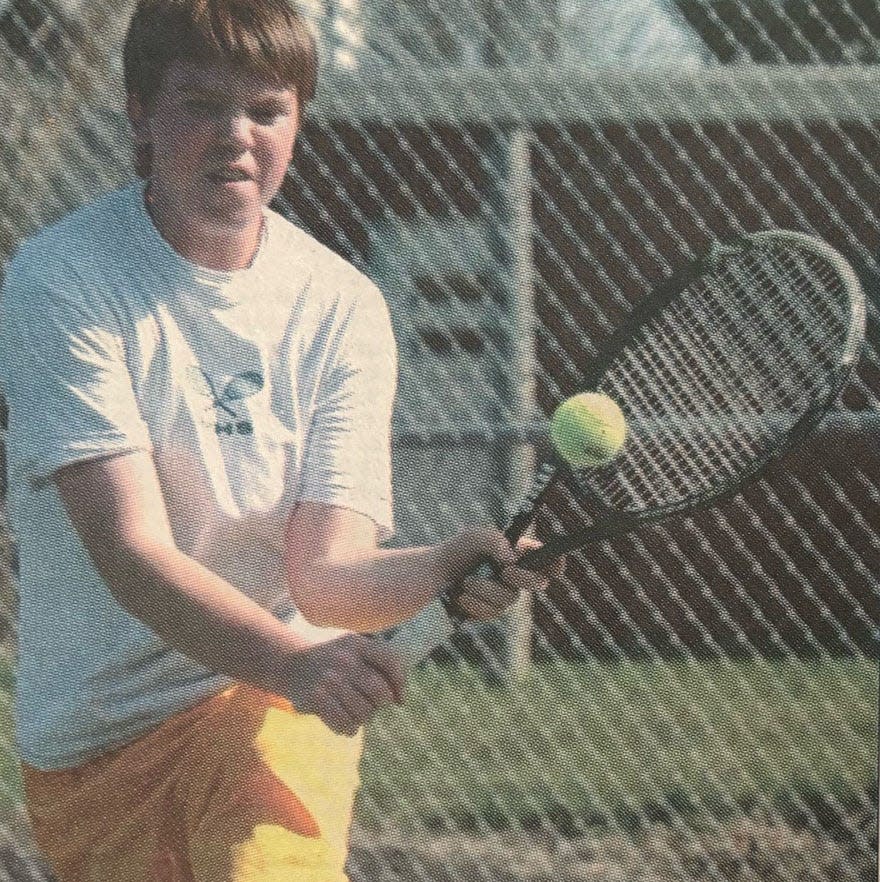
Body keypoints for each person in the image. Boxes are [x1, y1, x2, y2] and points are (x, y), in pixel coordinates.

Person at [0, 1, 560, 880]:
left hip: (264, 708)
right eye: (199, 104)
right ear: (139, 111)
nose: (236, 136)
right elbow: (129, 548)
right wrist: (298, 661)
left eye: (266, 109)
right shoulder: (61, 281)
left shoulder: (342, 307)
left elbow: (327, 579)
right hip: (93, 738)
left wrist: (442, 567)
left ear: (299, 120)